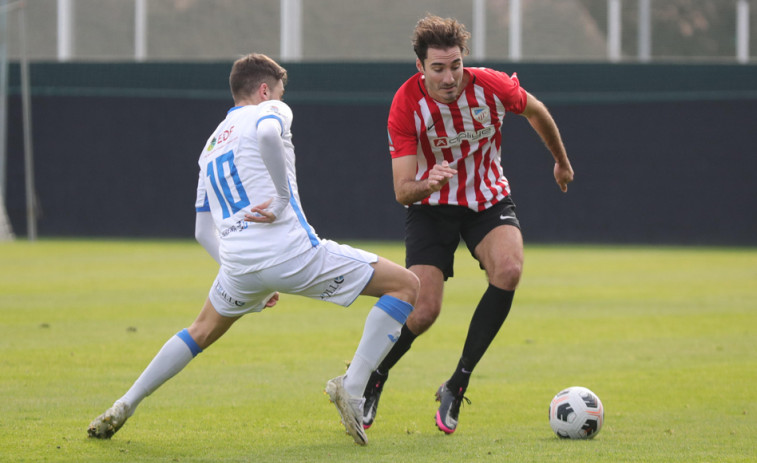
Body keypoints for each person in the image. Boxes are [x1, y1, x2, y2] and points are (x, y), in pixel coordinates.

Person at [87, 53, 419, 446]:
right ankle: (353, 387)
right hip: (291, 251)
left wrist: (246, 273)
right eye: (278, 90)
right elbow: (265, 135)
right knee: (407, 286)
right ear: (265, 90)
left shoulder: (210, 145)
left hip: (239, 265)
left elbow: (201, 230)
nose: (280, 96)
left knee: (200, 331)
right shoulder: (271, 109)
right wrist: (280, 198)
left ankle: (125, 403)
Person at [361, 15, 574, 434]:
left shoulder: (490, 85)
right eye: (438, 68)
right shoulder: (406, 105)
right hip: (431, 206)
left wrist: (561, 163)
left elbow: (535, 111)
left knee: (510, 270)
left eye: (455, 65)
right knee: (423, 311)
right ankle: (373, 377)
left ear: (464, 61)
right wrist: (428, 182)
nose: (449, 76)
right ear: (420, 67)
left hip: (486, 198)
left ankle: (457, 384)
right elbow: (402, 192)